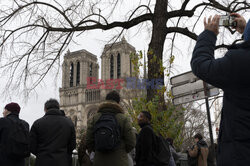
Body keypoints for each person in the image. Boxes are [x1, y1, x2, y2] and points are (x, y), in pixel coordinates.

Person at [191, 13, 250, 166]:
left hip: (241, 154)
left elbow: (200, 65)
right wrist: (246, 30)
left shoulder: (240, 61)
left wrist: (209, 34)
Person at [86, 90, 136, 166]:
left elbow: (88, 141)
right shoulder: (123, 118)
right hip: (119, 161)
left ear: (106, 101)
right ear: (118, 102)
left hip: (99, 161)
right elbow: (131, 142)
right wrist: (121, 151)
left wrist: (98, 150)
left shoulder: (94, 118)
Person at [30, 99, 76, 166]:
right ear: (58, 108)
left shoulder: (37, 123)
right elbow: (72, 145)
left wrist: (41, 154)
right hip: (62, 161)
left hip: (42, 161)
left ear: (45, 109)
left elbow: (32, 146)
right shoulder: (69, 123)